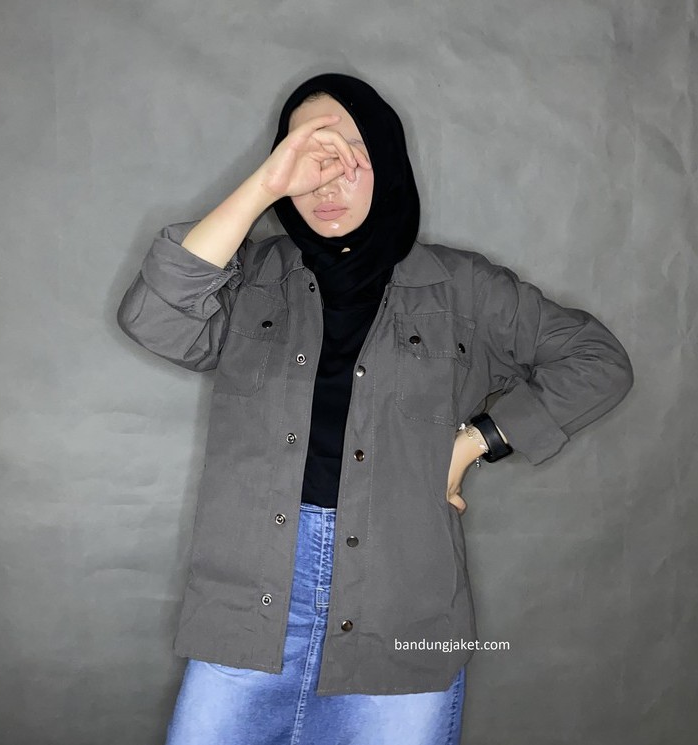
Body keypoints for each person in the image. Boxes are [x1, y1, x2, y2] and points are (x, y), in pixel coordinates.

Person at [116, 72, 634, 745]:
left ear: (386, 157)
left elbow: (597, 360)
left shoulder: (461, 287)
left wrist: (474, 441)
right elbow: (154, 316)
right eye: (309, 155)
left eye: (350, 152)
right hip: (247, 609)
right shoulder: (248, 281)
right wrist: (265, 185)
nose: (327, 179)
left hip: (400, 613)